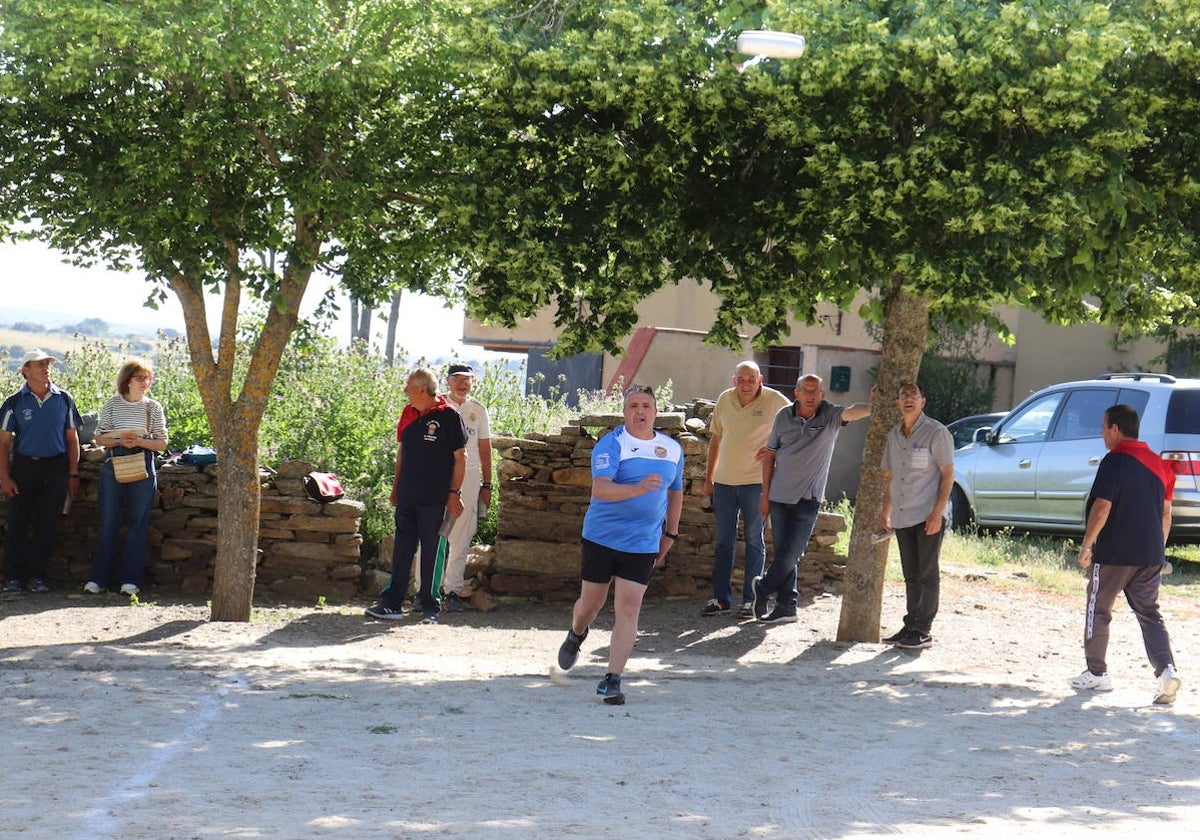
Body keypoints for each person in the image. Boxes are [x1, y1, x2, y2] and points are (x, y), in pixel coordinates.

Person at [555, 385, 684, 705]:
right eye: (633, 406)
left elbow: (676, 492)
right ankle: (577, 632)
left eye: (646, 406)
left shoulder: (671, 449)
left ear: (656, 412)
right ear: (625, 413)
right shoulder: (611, 444)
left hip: (642, 543)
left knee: (628, 608)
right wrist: (638, 488)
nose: (640, 412)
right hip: (602, 538)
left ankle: (612, 679)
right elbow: (601, 490)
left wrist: (671, 534)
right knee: (590, 606)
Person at [1070, 404, 1182, 704]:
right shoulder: (1159, 464)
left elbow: (1102, 506)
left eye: (1104, 426)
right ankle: (1166, 671)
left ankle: (1096, 674)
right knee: (1149, 613)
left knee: (1099, 609)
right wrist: (1158, 548)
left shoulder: (1115, 460)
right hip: (1151, 554)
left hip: (1115, 553)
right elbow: (1166, 513)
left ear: (1115, 429)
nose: (1101, 432)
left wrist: (1087, 544)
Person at [752, 374, 873, 623]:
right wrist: (765, 494)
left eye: (815, 391)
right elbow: (770, 456)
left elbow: (852, 412)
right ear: (796, 393)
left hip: (809, 497)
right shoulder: (783, 416)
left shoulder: (829, 415)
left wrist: (874, 406)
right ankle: (787, 606)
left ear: (822, 394)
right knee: (785, 553)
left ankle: (763, 588)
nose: (810, 396)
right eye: (805, 391)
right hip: (779, 495)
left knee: (793, 554)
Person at [366, 367, 467, 624]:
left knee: (432, 549)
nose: (405, 392)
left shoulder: (449, 417)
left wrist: (454, 493)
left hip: (436, 497)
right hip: (408, 496)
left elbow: (460, 458)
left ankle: (430, 606)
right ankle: (392, 603)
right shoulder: (407, 414)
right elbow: (402, 453)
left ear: (423, 389)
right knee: (402, 548)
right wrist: (395, 487)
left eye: (409, 387)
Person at [702, 361, 790, 619]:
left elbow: (799, 423)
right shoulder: (724, 399)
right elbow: (715, 441)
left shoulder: (775, 401)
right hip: (724, 483)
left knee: (754, 541)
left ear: (760, 379)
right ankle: (721, 599)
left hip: (756, 483)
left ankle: (752, 601)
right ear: (734, 380)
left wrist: (778, 449)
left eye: (751, 379)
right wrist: (709, 482)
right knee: (723, 542)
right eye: (741, 379)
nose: (746, 384)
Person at [878, 383, 955, 650]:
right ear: (897, 404)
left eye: (914, 395)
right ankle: (910, 625)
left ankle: (923, 630)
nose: (908, 399)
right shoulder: (893, 436)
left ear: (923, 401)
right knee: (911, 574)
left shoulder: (936, 432)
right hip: (902, 515)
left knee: (926, 572)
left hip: (927, 514)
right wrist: (885, 512)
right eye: (903, 396)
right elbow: (889, 477)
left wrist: (937, 513)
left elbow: (948, 475)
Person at [0, 349, 83, 593]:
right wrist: (4, 477)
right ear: (25, 369)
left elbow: (72, 437)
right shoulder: (14, 402)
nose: (45, 367)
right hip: (24, 466)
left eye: (47, 363)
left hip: (56, 467)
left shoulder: (64, 399)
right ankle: (13, 578)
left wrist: (73, 473)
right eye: (39, 364)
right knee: (17, 522)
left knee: (48, 524)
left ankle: (37, 577)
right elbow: (3, 442)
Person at [85, 359, 169, 597]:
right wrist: (121, 440)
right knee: (109, 521)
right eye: (140, 377)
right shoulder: (112, 404)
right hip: (115, 462)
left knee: (137, 524)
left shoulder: (153, 407)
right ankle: (99, 579)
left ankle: (130, 581)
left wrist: (139, 441)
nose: (146, 382)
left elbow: (162, 443)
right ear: (127, 379)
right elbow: (99, 438)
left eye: (148, 378)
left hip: (142, 461)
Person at [439, 363, 493, 612]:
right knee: (430, 532)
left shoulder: (478, 410)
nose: (463, 384)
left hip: (470, 477)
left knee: (461, 536)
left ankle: (452, 591)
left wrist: (488, 484)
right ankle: (425, 589)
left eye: (467, 380)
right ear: (448, 381)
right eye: (458, 379)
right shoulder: (437, 405)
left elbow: (484, 447)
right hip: (438, 474)